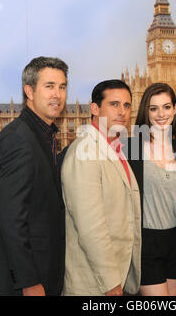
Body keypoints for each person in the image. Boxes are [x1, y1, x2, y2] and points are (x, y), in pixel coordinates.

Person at [0, 57, 68, 296]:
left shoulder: (44, 136)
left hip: (42, 274)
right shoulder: (19, 139)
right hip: (21, 284)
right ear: (29, 91)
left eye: (62, 87)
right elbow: (10, 219)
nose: (57, 95)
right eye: (49, 86)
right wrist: (28, 282)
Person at [61, 79, 141, 296]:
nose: (122, 112)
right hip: (96, 284)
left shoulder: (115, 148)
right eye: (114, 104)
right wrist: (111, 284)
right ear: (95, 109)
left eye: (126, 105)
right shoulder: (84, 152)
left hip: (117, 276)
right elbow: (90, 227)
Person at [129, 83, 176, 296]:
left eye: (166, 107)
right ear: (145, 112)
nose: (161, 114)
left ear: (175, 108)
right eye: (153, 108)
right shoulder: (132, 148)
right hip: (147, 242)